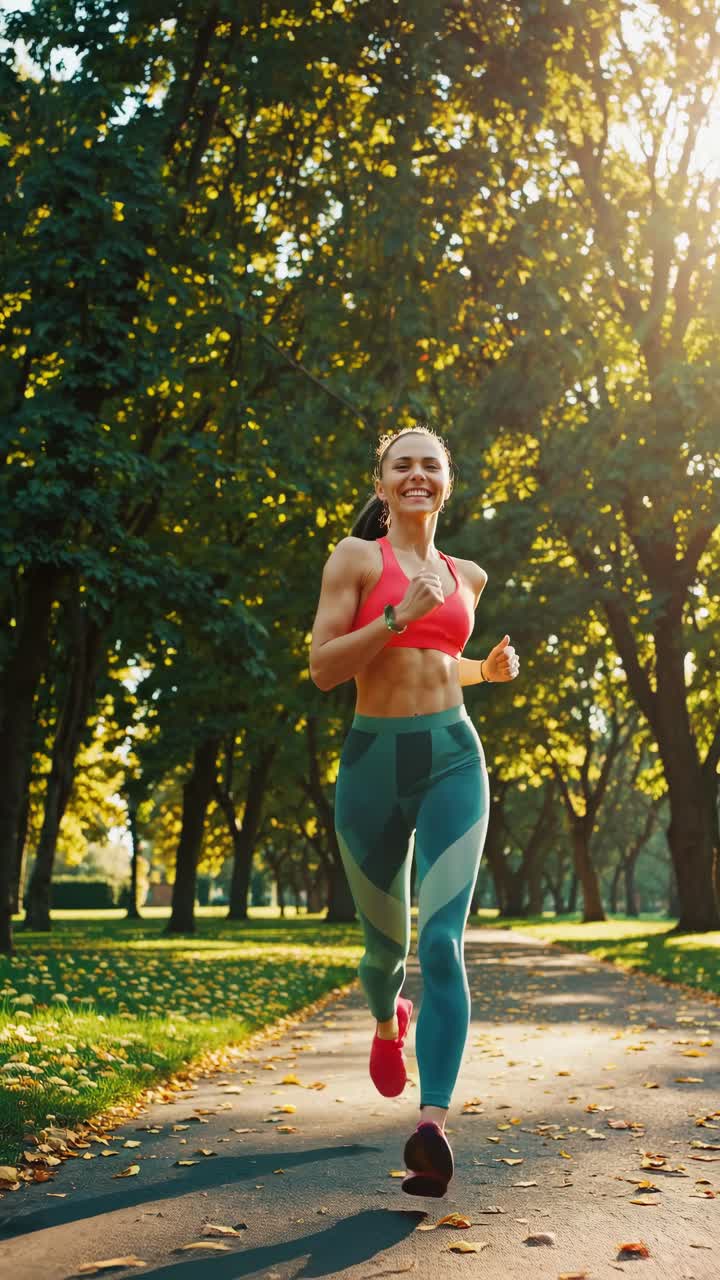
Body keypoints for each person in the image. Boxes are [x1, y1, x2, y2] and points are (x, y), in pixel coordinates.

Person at [309, 425, 520, 1197]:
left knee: (441, 941)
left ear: (448, 480)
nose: (418, 475)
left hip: (454, 761)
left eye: (431, 464)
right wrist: (395, 617)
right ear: (383, 481)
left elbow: (436, 664)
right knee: (382, 956)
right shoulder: (356, 559)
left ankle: (431, 1127)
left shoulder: (469, 574)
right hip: (371, 766)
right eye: (404, 465)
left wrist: (483, 672)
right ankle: (383, 1018)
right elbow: (325, 667)